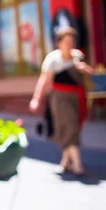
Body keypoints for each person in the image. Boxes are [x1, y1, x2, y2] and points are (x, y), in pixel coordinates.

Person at [30, 27, 93, 176]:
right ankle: (77, 165)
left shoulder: (78, 56)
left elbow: (91, 74)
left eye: (72, 41)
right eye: (66, 41)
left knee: (73, 127)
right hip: (60, 98)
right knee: (69, 126)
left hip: (77, 97)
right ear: (59, 43)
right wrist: (36, 99)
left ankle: (65, 162)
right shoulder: (53, 59)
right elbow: (44, 80)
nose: (69, 44)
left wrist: (85, 69)